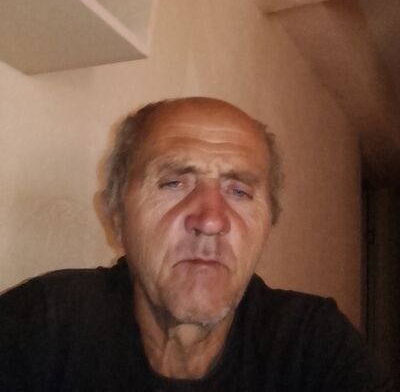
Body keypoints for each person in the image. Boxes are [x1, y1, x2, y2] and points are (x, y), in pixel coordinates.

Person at [0, 97, 391, 391]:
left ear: (268, 224)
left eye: (239, 191)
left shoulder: (312, 344)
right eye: (173, 183)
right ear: (115, 216)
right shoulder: (44, 323)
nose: (211, 220)